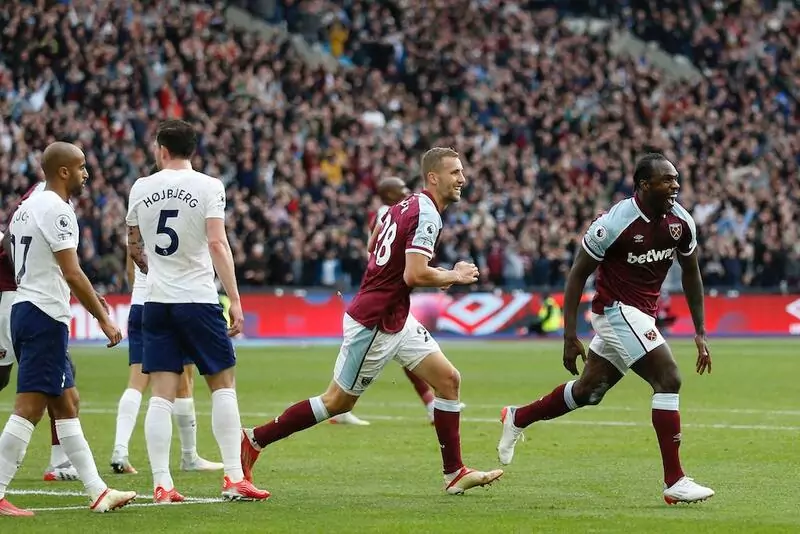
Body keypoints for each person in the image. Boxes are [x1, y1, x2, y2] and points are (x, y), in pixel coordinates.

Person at [240, 147, 504, 495]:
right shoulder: (427, 214)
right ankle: (255, 439)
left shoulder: (405, 205)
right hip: (376, 323)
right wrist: (454, 275)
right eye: (455, 173)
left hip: (395, 316)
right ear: (433, 177)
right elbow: (414, 274)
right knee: (337, 402)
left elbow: (374, 247)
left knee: (448, 380)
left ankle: (454, 472)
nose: (462, 179)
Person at [497, 153, 714, 504]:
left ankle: (517, 417)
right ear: (644, 185)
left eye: (676, 178)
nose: (676, 185)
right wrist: (569, 335)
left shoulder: (681, 221)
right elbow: (577, 275)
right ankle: (674, 481)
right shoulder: (614, 223)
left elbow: (692, 272)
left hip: (642, 313)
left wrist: (700, 331)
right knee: (669, 378)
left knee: (588, 392)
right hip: (614, 310)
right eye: (667, 179)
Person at [126, 119, 269, 503]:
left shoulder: (141, 187)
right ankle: (234, 477)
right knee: (222, 384)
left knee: (161, 394)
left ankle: (162, 484)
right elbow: (218, 243)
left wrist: (153, 269)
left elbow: (134, 244)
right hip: (198, 299)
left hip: (155, 300)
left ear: (162, 149)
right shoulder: (209, 186)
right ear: (193, 149)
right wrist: (235, 298)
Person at [0, 142, 136, 516]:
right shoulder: (58, 210)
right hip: (44, 314)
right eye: (80, 167)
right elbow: (71, 272)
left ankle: (97, 491)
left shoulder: (24, 209)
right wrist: (103, 318)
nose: (86, 173)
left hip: (26, 308)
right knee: (29, 409)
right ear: (63, 171)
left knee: (66, 403)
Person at [330, 176, 443, 426]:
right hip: (384, 297)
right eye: (402, 189)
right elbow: (379, 249)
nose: (407, 191)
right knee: (376, 357)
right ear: (390, 194)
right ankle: (338, 408)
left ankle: (432, 404)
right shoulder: (398, 211)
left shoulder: (388, 212)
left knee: (409, 352)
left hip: (385, 292)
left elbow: (372, 246)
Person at [110, 251, 224, 475]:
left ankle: (120, 449)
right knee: (184, 380)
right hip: (174, 301)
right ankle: (189, 456)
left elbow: (130, 267)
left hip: (141, 303)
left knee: (136, 382)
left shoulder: (138, 219)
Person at [0, 179, 82, 483]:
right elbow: (10, 240)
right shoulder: (44, 197)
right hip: (16, 297)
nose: (86, 173)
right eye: (80, 167)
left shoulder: (51, 202)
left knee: (64, 387)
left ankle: (67, 467)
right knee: (27, 399)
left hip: (23, 299)